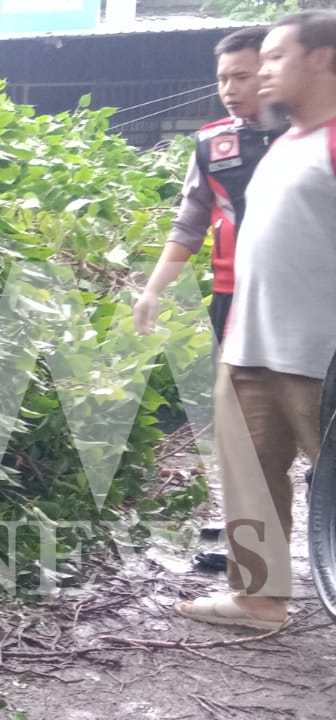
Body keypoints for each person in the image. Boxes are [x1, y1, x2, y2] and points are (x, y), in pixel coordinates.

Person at [177, 10, 336, 631]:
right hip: (252, 346)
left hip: (320, 355)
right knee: (250, 480)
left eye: (275, 58)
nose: (261, 71)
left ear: (322, 59)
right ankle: (259, 599)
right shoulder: (283, 146)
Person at [135, 26, 283, 341]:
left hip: (306, 292)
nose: (229, 89)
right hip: (232, 292)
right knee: (232, 387)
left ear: (272, 72)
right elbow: (189, 225)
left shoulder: (313, 136)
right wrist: (152, 290)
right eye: (222, 79)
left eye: (241, 77)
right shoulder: (211, 142)